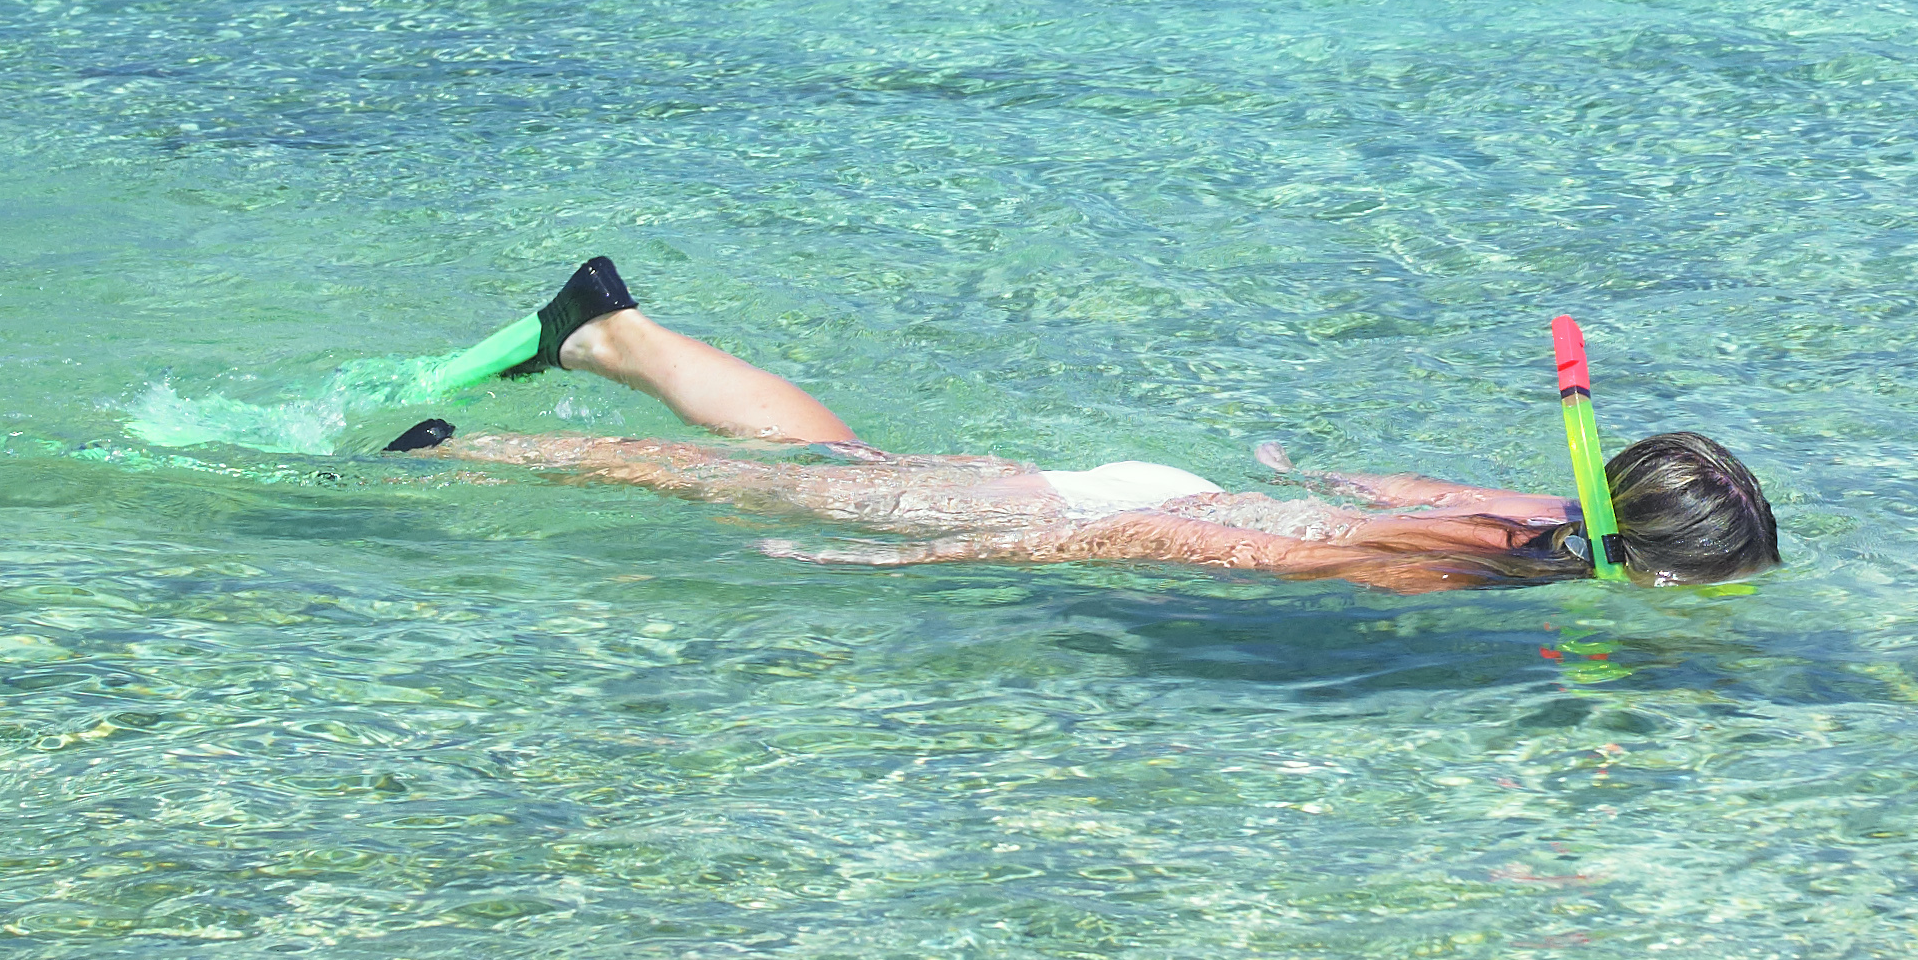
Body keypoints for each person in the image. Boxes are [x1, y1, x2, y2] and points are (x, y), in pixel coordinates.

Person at [381, 259, 1780, 592]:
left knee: (823, 464)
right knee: (747, 490)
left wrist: (1304, 474)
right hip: (1086, 507)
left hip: (1177, 481)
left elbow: (1366, 481)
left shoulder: (1528, 515)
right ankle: (464, 445)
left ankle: (604, 325)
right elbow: (1165, 537)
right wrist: (968, 558)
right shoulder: (1461, 560)